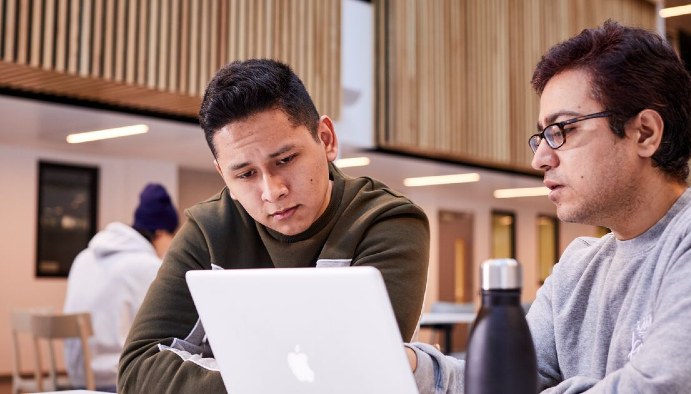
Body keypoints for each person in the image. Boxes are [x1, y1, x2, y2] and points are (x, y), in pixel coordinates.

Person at [408, 20, 691, 393]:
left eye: (563, 129)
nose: (540, 159)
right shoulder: (578, 268)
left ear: (644, 132)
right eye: (543, 136)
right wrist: (410, 365)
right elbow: (500, 379)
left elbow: (662, 387)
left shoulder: (690, 241)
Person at [118, 59, 430, 392]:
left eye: (285, 160)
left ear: (326, 140)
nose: (272, 191)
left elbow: (357, 376)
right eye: (246, 174)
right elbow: (139, 370)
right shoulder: (209, 229)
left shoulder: (386, 222)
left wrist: (237, 373)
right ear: (223, 174)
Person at [63, 183, 179, 391]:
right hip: (118, 378)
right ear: (161, 232)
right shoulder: (147, 266)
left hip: (77, 374)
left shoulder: (84, 257)